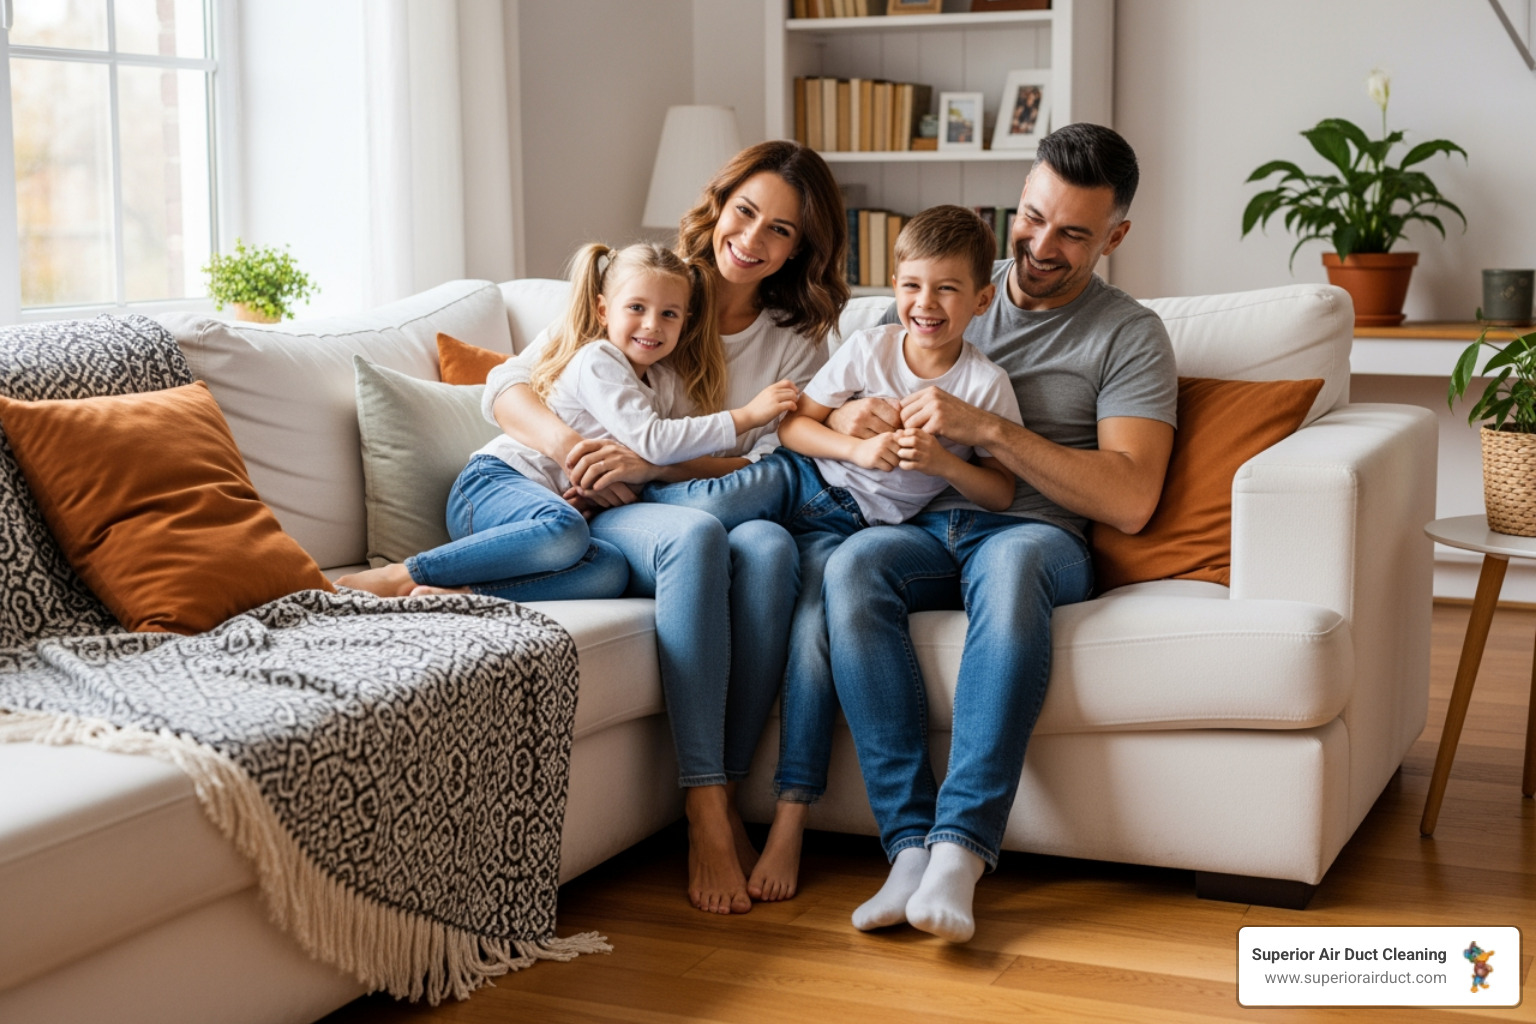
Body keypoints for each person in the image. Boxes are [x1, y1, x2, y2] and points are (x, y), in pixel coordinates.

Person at [820, 123, 1178, 943]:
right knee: (852, 570)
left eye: (1073, 233)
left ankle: (960, 850)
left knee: (1013, 568)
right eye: (1031, 217)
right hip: (920, 523)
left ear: (1116, 237)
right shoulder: (945, 287)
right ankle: (906, 845)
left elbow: (1130, 499)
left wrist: (991, 430)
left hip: (1032, 536)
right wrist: (851, 415)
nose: (1040, 246)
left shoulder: (1127, 334)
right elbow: (845, 385)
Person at [486, 141, 850, 915]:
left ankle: (716, 796)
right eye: (745, 212)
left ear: (803, 248)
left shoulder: (799, 337)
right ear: (718, 204)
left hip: (678, 496)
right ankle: (706, 806)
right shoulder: (648, 285)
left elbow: (767, 456)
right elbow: (509, 383)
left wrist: (652, 465)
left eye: (782, 231)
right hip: (607, 506)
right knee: (705, 535)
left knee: (771, 541)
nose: (752, 240)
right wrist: (576, 454)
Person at [642, 205, 1021, 901]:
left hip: (844, 534)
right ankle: (623, 504)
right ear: (893, 286)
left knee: (813, 638)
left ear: (981, 298)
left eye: (946, 289)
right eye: (911, 286)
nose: (925, 305)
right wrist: (856, 445)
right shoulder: (870, 348)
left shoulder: (984, 385)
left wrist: (943, 460)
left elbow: (999, 490)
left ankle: (790, 820)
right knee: (708, 505)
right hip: (803, 481)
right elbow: (793, 431)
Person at [337, 242, 797, 600]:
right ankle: (403, 573)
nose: (652, 325)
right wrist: (746, 416)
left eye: (669, 314)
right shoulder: (598, 360)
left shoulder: (665, 384)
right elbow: (655, 444)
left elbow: (660, 457)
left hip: (549, 509)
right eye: (636, 308)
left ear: (686, 321)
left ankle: (461, 596)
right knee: (566, 530)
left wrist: (613, 489)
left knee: (609, 569)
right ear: (603, 310)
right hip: (492, 486)